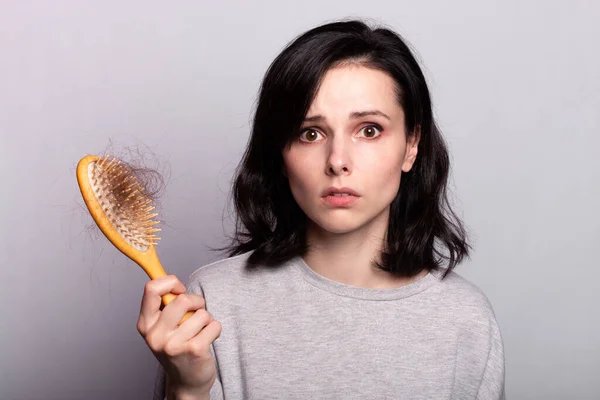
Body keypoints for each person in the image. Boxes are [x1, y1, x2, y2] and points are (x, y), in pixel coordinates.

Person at [139, 19, 505, 400]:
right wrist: (188, 389)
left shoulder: (465, 320)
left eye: (369, 130)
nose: (338, 161)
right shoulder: (212, 304)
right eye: (310, 133)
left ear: (411, 145)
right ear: (281, 153)